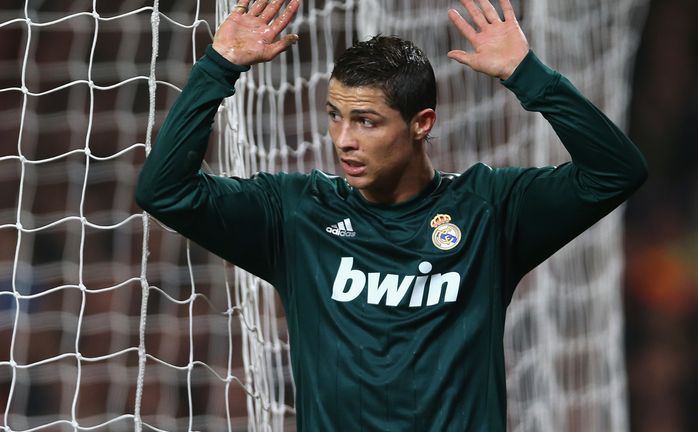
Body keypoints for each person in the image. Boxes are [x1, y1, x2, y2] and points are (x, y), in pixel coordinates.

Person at [135, 0, 647, 429]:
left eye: (366, 121)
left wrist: (529, 76)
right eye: (335, 117)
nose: (343, 140)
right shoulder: (295, 215)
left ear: (422, 123)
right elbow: (164, 191)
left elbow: (616, 172)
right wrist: (218, 67)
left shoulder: (489, 210)